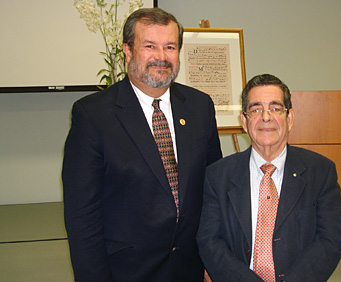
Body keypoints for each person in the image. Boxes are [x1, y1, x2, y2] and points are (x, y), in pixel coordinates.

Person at [62, 8, 222, 282]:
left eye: (170, 47)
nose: (161, 57)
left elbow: (213, 194)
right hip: (126, 272)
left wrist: (215, 261)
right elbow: (82, 218)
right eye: (150, 46)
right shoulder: (93, 115)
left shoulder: (200, 107)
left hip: (191, 268)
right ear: (127, 50)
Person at [197, 74, 341, 282]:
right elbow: (209, 240)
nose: (266, 117)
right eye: (256, 109)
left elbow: (330, 239)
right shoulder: (217, 176)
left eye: (275, 108)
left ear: (290, 118)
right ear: (244, 121)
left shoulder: (321, 172)